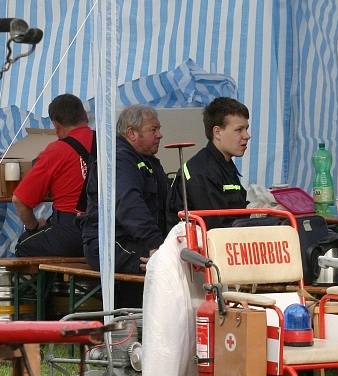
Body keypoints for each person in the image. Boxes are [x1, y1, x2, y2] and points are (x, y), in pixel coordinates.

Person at [80, 105, 168, 307]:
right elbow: (129, 206)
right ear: (132, 133)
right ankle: (130, 329)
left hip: (135, 240)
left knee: (169, 262)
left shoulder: (149, 162)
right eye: (153, 130)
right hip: (110, 243)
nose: (160, 135)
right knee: (160, 266)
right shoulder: (117, 160)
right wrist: (157, 246)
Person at [12, 94, 94, 256]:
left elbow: (19, 200)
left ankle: (47, 282)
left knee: (23, 245)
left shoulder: (56, 151)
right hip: (107, 231)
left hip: (72, 232)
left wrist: (33, 227)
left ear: (56, 126)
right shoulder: (110, 143)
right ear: (85, 115)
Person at [167, 97, 250, 229]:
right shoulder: (200, 172)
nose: (246, 135)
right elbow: (216, 227)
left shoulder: (225, 165)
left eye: (246, 128)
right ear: (217, 132)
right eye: (239, 130)